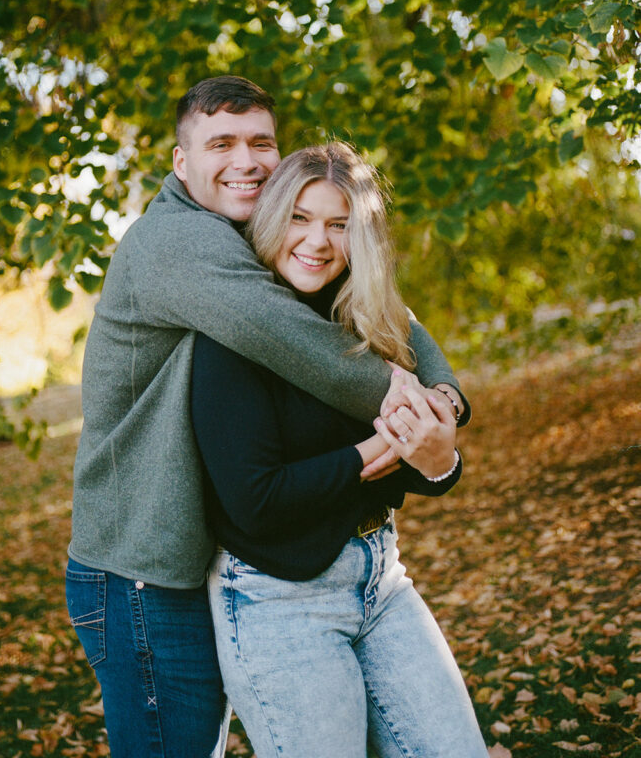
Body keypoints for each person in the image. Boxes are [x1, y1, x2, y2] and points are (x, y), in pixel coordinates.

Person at [66, 77, 470, 758]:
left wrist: (448, 401)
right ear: (180, 162)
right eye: (221, 143)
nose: (246, 160)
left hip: (203, 555)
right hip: (140, 565)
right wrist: (409, 421)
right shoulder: (179, 244)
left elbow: (387, 310)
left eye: (262, 143)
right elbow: (313, 348)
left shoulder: (249, 234)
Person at [192, 142, 488, 758]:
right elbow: (255, 501)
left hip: (382, 578)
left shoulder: (369, 318)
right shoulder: (237, 330)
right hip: (276, 596)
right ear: (271, 218)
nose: (317, 241)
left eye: (339, 224)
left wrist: (441, 462)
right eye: (299, 218)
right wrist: (375, 450)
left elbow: (425, 467)